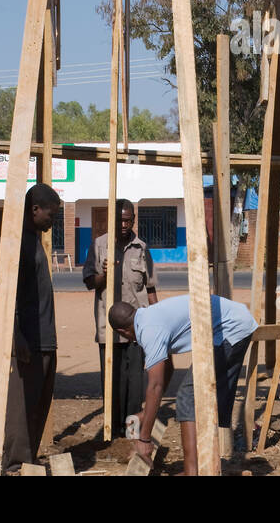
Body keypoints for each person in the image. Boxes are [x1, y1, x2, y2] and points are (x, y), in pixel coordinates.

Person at [109, 293, 257, 475]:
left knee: (187, 395)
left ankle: (191, 472)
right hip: (233, 321)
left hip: (231, 328)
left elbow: (155, 385)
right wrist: (146, 413)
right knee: (194, 395)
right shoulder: (149, 316)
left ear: (122, 331)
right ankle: (200, 465)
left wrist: (145, 440)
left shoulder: (149, 331)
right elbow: (167, 369)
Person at [82, 199, 156, 432]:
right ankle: (112, 432)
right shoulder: (99, 245)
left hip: (137, 329)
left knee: (135, 384)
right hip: (109, 329)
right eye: (119, 220)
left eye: (127, 220)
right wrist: (103, 274)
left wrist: (156, 322)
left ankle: (131, 431)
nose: (124, 224)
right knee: (112, 382)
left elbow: (150, 288)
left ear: (133, 219)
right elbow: (88, 283)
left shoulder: (142, 248)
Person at [2, 183, 61, 471]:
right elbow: (7, 295)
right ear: (35, 210)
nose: (53, 221)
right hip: (30, 340)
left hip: (45, 338)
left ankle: (27, 461)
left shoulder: (34, 240)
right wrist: (18, 337)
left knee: (38, 405)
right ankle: (14, 465)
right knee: (22, 408)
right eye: (51, 215)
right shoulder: (19, 244)